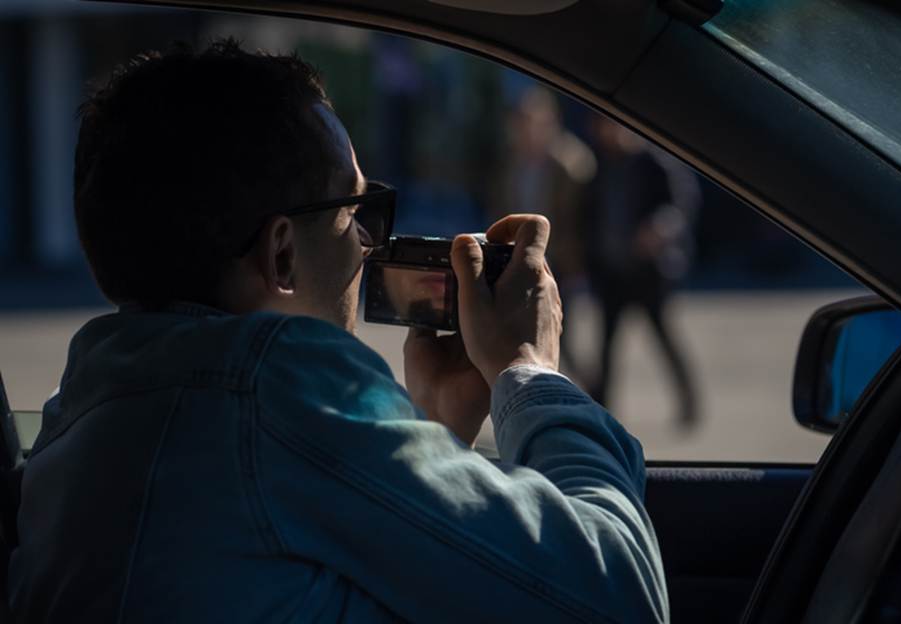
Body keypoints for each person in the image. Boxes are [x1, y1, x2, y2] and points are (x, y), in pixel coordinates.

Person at [7, 41, 667, 623]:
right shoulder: (275, 383)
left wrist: (435, 431)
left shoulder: (84, 412)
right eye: (355, 211)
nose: (367, 244)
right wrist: (529, 375)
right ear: (284, 253)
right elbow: (620, 598)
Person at [584, 115, 700, 428]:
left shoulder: (651, 162)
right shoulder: (598, 166)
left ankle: (689, 403)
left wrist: (658, 229)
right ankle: (600, 414)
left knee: (663, 338)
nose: (607, 133)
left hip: (647, 273)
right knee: (606, 347)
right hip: (612, 273)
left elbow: (679, 205)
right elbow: (590, 216)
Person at [488, 86, 596, 377]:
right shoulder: (512, 162)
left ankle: (586, 389)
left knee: (560, 331)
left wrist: (578, 261)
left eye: (530, 121)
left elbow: (582, 218)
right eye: (519, 122)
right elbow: (500, 205)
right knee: (528, 332)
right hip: (520, 257)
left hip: (560, 258)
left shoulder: (570, 163)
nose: (524, 129)